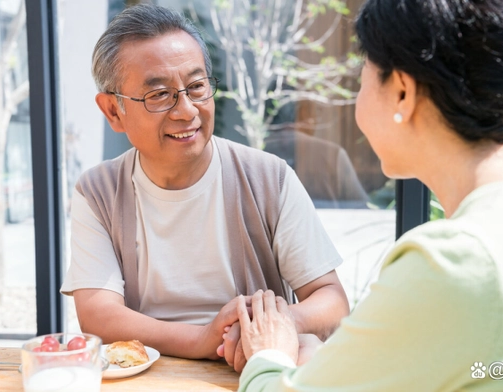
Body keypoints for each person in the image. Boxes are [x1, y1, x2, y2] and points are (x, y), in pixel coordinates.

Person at [233, 0, 503, 390]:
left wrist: (267, 352)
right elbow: (502, 370)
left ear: (402, 93)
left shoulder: (455, 260)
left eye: (363, 76)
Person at [60, 3, 349, 366]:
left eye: (196, 86)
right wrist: (203, 338)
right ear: (114, 111)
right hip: (148, 378)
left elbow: (332, 300)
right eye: (159, 94)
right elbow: (99, 315)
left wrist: (266, 327)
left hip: (252, 370)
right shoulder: (99, 191)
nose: (186, 110)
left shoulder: (268, 177)